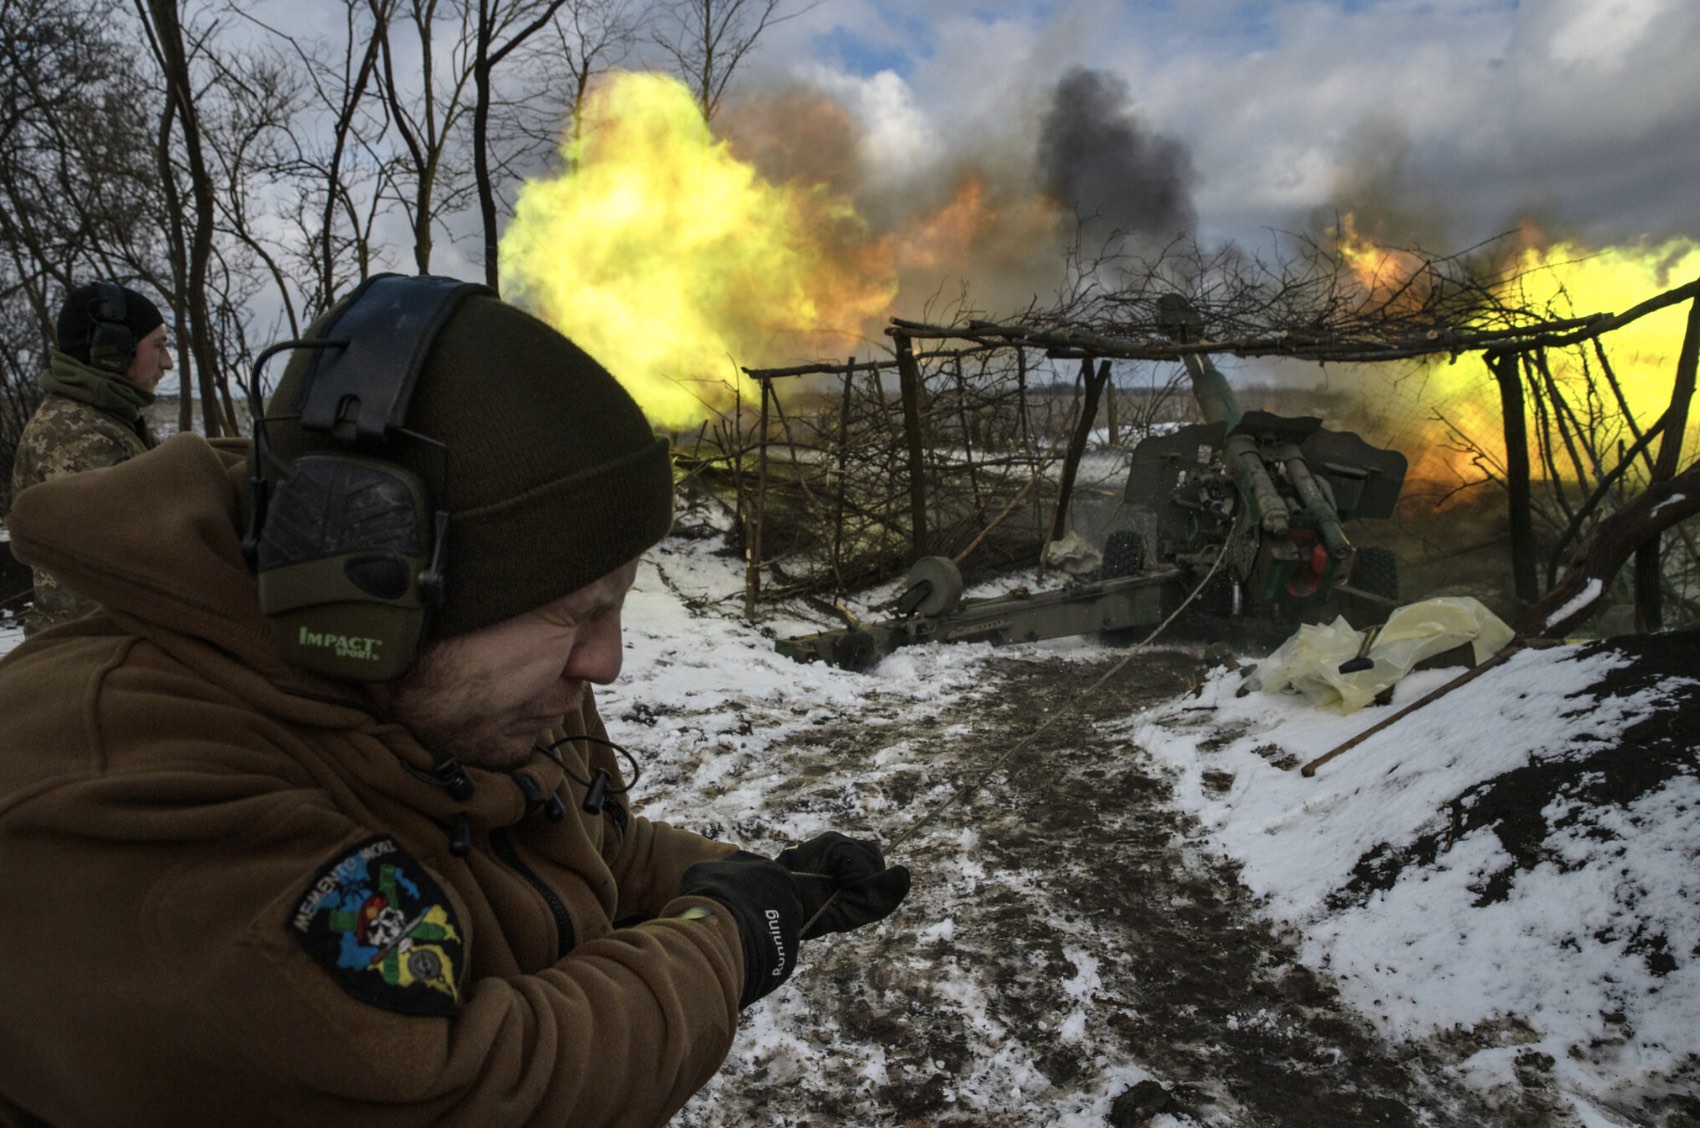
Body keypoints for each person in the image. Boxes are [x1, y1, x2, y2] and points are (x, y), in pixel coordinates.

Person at [0, 274, 910, 1125]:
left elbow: (593, 846)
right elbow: (459, 1086)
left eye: (620, 604)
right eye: (575, 612)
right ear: (371, 593)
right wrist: (728, 939)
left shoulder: (479, 695)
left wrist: (768, 883)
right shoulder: (122, 790)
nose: (607, 663)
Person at [8, 280, 175, 634]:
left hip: (112, 638)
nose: (168, 362)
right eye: (158, 346)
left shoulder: (110, 421)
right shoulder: (75, 436)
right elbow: (142, 556)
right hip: (89, 650)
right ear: (113, 350)